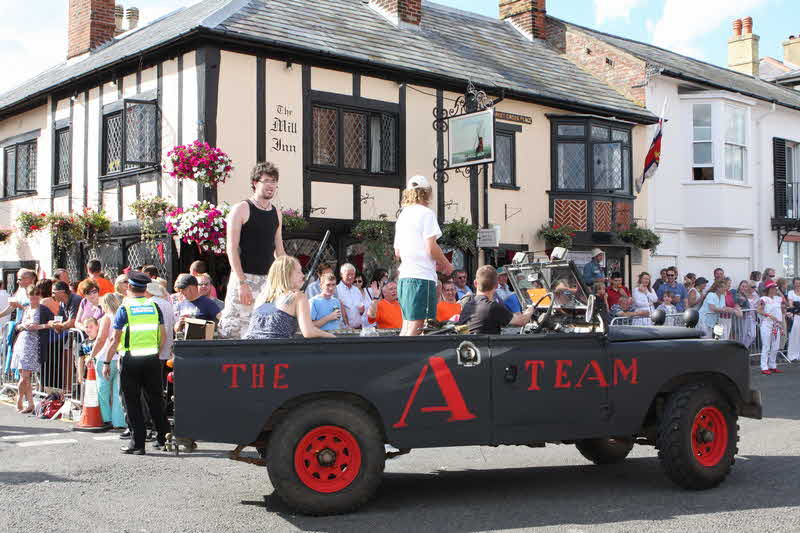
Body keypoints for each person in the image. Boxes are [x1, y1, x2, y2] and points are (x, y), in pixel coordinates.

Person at [102, 271, 170, 454]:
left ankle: (138, 444)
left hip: (130, 360)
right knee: (155, 400)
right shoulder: (154, 307)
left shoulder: (125, 309)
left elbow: (114, 339)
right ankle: (164, 439)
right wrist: (154, 350)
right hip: (152, 359)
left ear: (129, 288)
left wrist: (107, 362)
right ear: (144, 288)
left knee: (132, 402)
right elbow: (163, 336)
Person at [219, 162, 286, 339]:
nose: (271, 185)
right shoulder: (241, 208)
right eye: (266, 181)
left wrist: (287, 278)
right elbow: (231, 248)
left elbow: (279, 250)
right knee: (234, 331)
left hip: (267, 282)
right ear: (255, 182)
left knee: (263, 330)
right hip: (244, 278)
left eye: (274, 181)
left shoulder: (276, 213)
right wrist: (242, 283)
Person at [394, 175, 454, 336]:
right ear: (426, 193)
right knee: (418, 324)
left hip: (405, 276)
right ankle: (408, 360)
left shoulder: (402, 216)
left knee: (407, 323)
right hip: (421, 277)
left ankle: (397, 358)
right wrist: (445, 263)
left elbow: (398, 252)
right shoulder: (426, 214)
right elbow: (430, 247)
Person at [244, 256, 335, 340]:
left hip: (248, 348)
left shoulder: (262, 296)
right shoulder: (298, 296)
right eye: (299, 272)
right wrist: (333, 337)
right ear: (286, 274)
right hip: (275, 351)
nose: (303, 275)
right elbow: (309, 332)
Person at [11, 283, 53, 413]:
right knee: (24, 375)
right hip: (23, 342)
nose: (34, 299)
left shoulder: (43, 309)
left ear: (39, 296)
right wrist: (22, 326)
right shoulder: (26, 309)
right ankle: (28, 403)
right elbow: (20, 326)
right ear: (28, 297)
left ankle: (21, 400)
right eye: (31, 296)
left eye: (36, 296)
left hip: (34, 343)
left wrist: (43, 326)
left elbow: (49, 322)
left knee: (26, 376)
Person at [457, 266, 534, 334]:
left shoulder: (467, 306)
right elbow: (522, 321)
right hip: (485, 348)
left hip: (469, 347)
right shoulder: (492, 307)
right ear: (497, 285)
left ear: (475, 283)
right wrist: (531, 309)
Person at [88, 293, 127, 429]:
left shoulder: (106, 318)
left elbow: (101, 339)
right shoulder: (122, 316)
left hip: (106, 356)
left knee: (103, 389)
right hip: (119, 356)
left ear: (105, 304)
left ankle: (106, 418)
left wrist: (91, 355)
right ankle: (119, 421)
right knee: (118, 392)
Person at [757, 280, 785, 375]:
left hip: (776, 325)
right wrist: (768, 315)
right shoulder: (763, 299)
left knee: (775, 346)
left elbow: (784, 303)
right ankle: (764, 366)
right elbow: (759, 310)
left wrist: (779, 291)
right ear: (768, 289)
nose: (774, 290)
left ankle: (772, 365)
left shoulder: (778, 298)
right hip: (766, 324)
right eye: (772, 288)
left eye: (775, 288)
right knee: (766, 346)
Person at [336, 263, 369, 330]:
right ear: (341, 275)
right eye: (348, 274)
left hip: (359, 328)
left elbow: (361, 311)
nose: (350, 277)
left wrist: (362, 310)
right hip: (345, 330)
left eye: (352, 274)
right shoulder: (337, 290)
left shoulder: (356, 290)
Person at [786, 278, 800, 362]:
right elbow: (791, 305)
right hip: (796, 316)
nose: (798, 285)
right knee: (794, 336)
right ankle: (793, 355)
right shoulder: (791, 293)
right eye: (796, 283)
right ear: (793, 284)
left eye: (799, 283)